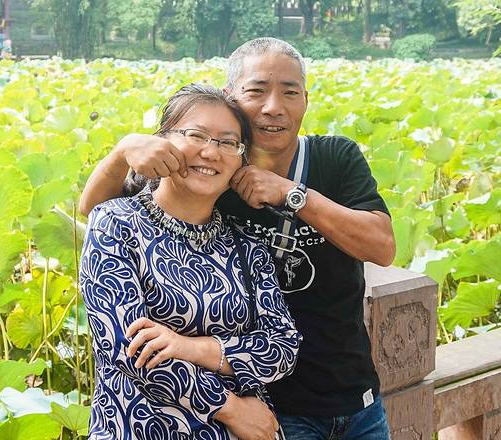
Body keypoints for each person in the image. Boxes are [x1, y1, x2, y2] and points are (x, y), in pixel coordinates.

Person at [80, 38, 396, 440]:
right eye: (257, 90)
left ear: (305, 100)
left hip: (349, 396)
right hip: (253, 413)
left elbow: (380, 250)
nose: (273, 107)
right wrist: (122, 150)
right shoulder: (186, 187)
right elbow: (97, 214)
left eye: (290, 92)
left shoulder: (324, 167)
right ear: (231, 95)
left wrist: (291, 194)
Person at [80, 83, 300, 440]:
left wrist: (190, 347)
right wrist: (230, 408)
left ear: (241, 161)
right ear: (161, 142)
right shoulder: (116, 223)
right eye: (196, 135)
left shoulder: (246, 245)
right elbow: (128, 349)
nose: (211, 152)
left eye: (228, 143)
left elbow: (283, 347)